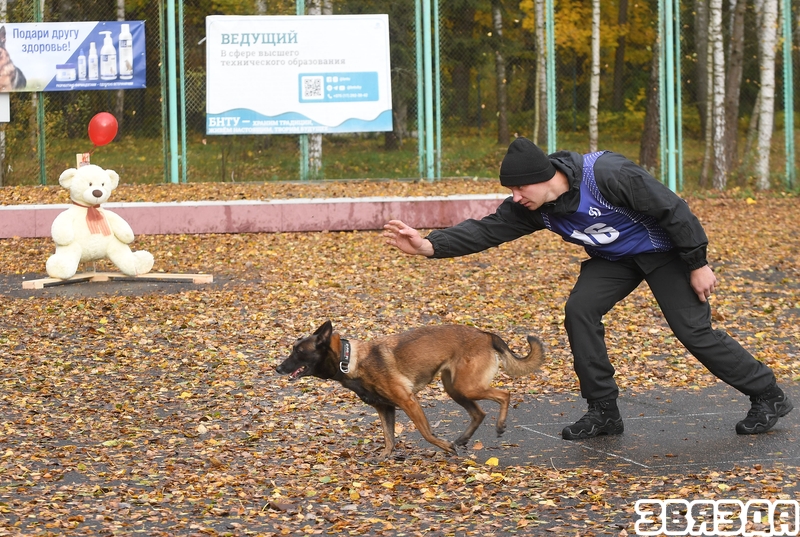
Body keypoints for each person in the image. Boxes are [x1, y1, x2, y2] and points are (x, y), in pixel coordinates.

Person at [383, 137, 793, 440]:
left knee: (692, 331)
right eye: (511, 191)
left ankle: (768, 394)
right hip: (614, 260)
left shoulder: (608, 175)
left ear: (544, 178)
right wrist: (429, 245)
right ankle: (603, 412)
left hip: (664, 252)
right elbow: (487, 229)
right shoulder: (534, 207)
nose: (515, 197)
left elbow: (673, 208)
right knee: (579, 310)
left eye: (519, 189)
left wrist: (698, 262)